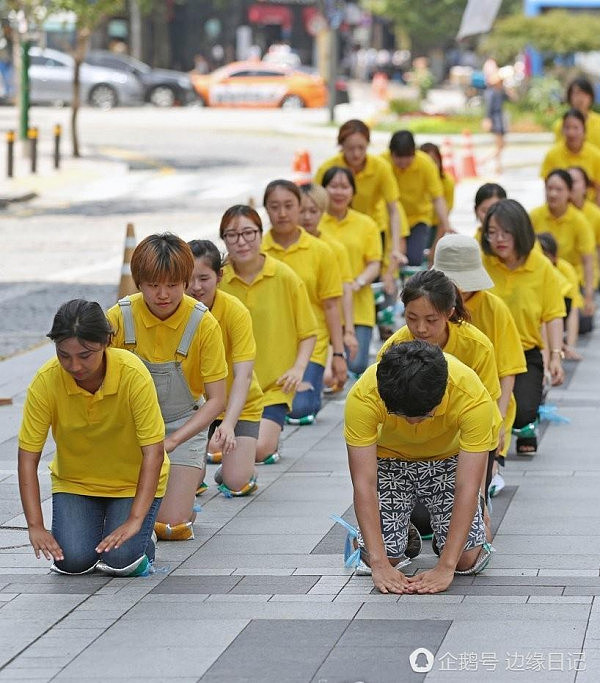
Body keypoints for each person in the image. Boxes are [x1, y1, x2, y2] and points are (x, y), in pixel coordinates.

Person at [18, 300, 169, 576]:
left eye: (85, 355)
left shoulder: (133, 374)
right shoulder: (46, 381)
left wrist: (135, 520)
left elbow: (154, 452)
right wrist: (35, 526)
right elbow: (28, 457)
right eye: (64, 355)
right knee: (72, 561)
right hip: (76, 483)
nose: (74, 365)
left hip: (131, 483)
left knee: (121, 561)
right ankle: (104, 526)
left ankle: (144, 536)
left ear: (107, 341)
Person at [344, 340, 498, 594]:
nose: (414, 424)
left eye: (425, 415)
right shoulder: (364, 395)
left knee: (467, 559)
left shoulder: (471, 395)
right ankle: (395, 533)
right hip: (389, 461)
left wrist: (446, 567)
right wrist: (380, 563)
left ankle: (479, 523)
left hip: (448, 459)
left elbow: (467, 486)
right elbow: (364, 484)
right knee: (380, 556)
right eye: (402, 416)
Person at [107, 233, 227, 541]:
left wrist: (172, 442)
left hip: (182, 425)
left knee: (170, 527)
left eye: (172, 285)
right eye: (153, 285)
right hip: (129, 429)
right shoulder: (119, 317)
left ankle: (184, 493)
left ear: (186, 282)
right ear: (139, 282)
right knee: (126, 522)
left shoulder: (203, 322)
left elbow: (215, 401)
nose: (163, 294)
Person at [378, 269, 502, 533]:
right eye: (411, 318)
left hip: (460, 450)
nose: (420, 329)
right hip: (406, 451)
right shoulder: (393, 350)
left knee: (467, 529)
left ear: (449, 312)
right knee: (421, 524)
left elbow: (487, 423)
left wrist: (479, 499)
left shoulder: (477, 346)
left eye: (431, 319)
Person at [218, 204, 317, 462]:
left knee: (259, 450)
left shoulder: (285, 276)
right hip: (226, 389)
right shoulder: (216, 280)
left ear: (261, 234)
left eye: (249, 233)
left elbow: (308, 332)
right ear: (224, 240)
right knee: (217, 449)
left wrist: (297, 369)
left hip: (272, 387)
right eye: (232, 235)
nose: (242, 242)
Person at [433, 234, 527, 496]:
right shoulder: (430, 308)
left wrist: (500, 420)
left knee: (476, 482)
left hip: (487, 398)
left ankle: (493, 467)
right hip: (439, 403)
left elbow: (508, 370)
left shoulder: (495, 309)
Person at [480, 199, 566, 454]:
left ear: (521, 231)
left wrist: (555, 357)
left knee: (523, 413)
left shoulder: (540, 267)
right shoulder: (482, 264)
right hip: (488, 353)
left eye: (506, 232)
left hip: (525, 351)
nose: (499, 239)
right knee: (486, 413)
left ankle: (528, 421)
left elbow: (553, 315)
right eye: (492, 232)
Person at [262, 179, 345, 424]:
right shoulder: (258, 251)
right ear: (266, 210)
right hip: (269, 346)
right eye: (274, 206)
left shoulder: (321, 251)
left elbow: (331, 305)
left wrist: (338, 353)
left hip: (312, 344)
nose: (282, 213)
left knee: (299, 408)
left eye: (289, 205)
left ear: (300, 206)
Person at [186, 240, 263, 496]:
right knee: (189, 485)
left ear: (220, 276)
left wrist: (228, 423)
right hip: (194, 407)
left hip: (237, 405)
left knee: (236, 483)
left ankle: (237, 466)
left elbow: (243, 374)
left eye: (204, 278)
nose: (195, 287)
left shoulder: (235, 311)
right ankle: (198, 471)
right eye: (188, 279)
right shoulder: (176, 310)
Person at [314, 119, 406, 275]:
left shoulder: (381, 167)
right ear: (341, 146)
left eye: (361, 148)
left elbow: (393, 209)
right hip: (333, 229)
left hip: (373, 228)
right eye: (350, 148)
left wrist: (396, 247)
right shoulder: (327, 168)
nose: (356, 154)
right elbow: (314, 203)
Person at [319, 166, 383, 375]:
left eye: (344, 187)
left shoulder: (366, 224)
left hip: (358, 304)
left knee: (356, 364)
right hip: (322, 305)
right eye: (333, 186)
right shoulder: (315, 222)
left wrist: (359, 282)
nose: (338, 192)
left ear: (353, 192)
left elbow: (375, 263)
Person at [299, 183, 358, 389]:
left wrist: (348, 331)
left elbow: (345, 291)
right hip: (293, 332)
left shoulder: (333, 249)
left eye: (313, 211)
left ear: (322, 212)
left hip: (324, 328)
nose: (307, 217)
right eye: (301, 211)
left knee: (324, 383)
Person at [529, 169, 595, 321]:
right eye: (549, 188)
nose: (553, 194)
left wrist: (589, 297)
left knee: (582, 320)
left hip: (572, 282)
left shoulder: (579, 221)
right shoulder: (534, 216)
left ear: (569, 193)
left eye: (559, 189)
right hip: (540, 280)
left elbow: (588, 261)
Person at [382, 130, 451, 265]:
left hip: (417, 218)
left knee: (414, 258)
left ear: (414, 152)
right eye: (398, 157)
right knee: (388, 258)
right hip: (389, 217)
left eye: (407, 157)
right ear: (391, 153)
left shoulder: (425, 164)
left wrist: (446, 225)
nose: (403, 162)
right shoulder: (382, 163)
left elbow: (437, 197)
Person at [537, 232, 584, 361]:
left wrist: (570, 345)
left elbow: (573, 309)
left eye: (544, 256)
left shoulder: (565, 270)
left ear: (554, 257)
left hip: (563, 308)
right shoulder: (532, 271)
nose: (540, 259)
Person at [541, 109, 600, 204]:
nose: (571, 133)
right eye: (567, 128)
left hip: (588, 208)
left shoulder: (596, 156)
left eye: (575, 128)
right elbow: (548, 189)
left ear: (584, 130)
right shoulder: (552, 155)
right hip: (561, 209)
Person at [568, 165, 600, 301]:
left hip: (585, 279)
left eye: (574, 181)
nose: (571, 186)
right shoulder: (551, 213)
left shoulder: (595, 215)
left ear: (586, 187)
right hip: (561, 277)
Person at [420, 141, 455, 247]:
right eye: (426, 163)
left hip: (435, 227)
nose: (430, 167)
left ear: (440, 162)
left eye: (434, 162)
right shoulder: (414, 180)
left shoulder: (447, 182)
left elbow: (444, 218)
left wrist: (435, 246)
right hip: (416, 225)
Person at [553, 76, 600, 150]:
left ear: (591, 97)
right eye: (576, 93)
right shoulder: (560, 125)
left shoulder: (598, 122)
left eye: (584, 94)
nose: (580, 98)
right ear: (569, 96)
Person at [482, 73, 514, 174]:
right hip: (496, 120)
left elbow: (513, 98)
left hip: (500, 119)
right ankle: (485, 160)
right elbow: (489, 109)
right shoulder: (491, 93)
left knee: (501, 145)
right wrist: (487, 120)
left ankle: (497, 166)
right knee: (499, 145)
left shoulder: (501, 92)